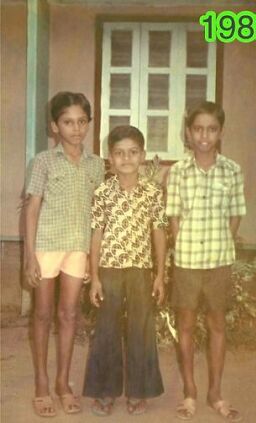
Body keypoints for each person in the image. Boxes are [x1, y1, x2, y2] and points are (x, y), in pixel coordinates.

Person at [24, 91, 105, 417]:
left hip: (77, 248)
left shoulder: (96, 164)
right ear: (55, 126)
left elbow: (98, 216)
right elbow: (31, 210)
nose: (75, 128)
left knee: (70, 314)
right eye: (68, 122)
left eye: (81, 121)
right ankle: (42, 382)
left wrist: (92, 260)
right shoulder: (43, 161)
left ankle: (62, 382)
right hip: (45, 246)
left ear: (88, 124)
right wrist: (30, 256)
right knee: (43, 314)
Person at [166, 102, 246, 421]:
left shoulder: (232, 170)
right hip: (186, 261)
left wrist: (221, 245)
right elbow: (173, 217)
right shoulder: (177, 172)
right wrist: (182, 247)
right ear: (189, 132)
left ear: (220, 133)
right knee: (185, 326)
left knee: (216, 325)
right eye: (198, 128)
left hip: (218, 260)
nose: (204, 135)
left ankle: (215, 392)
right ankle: (190, 391)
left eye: (211, 129)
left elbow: (236, 215)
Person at [82, 125, 166, 415]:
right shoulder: (103, 192)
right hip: (109, 270)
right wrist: (94, 278)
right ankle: (105, 393)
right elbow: (96, 234)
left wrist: (160, 274)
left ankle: (139, 392)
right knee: (106, 330)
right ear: (110, 157)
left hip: (141, 271)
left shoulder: (152, 192)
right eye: (119, 153)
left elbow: (159, 232)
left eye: (132, 153)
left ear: (142, 155)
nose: (126, 159)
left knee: (140, 331)